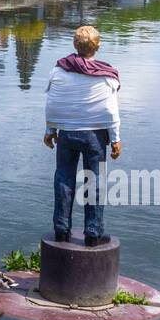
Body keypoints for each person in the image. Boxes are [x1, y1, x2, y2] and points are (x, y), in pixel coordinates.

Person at [44, 25, 122, 247]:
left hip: (67, 134)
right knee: (95, 182)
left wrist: (50, 130)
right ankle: (93, 232)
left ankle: (61, 230)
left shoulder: (59, 71)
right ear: (97, 46)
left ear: (75, 45)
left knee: (63, 179)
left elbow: (52, 103)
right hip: (95, 136)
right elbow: (111, 111)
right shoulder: (107, 76)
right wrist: (115, 138)